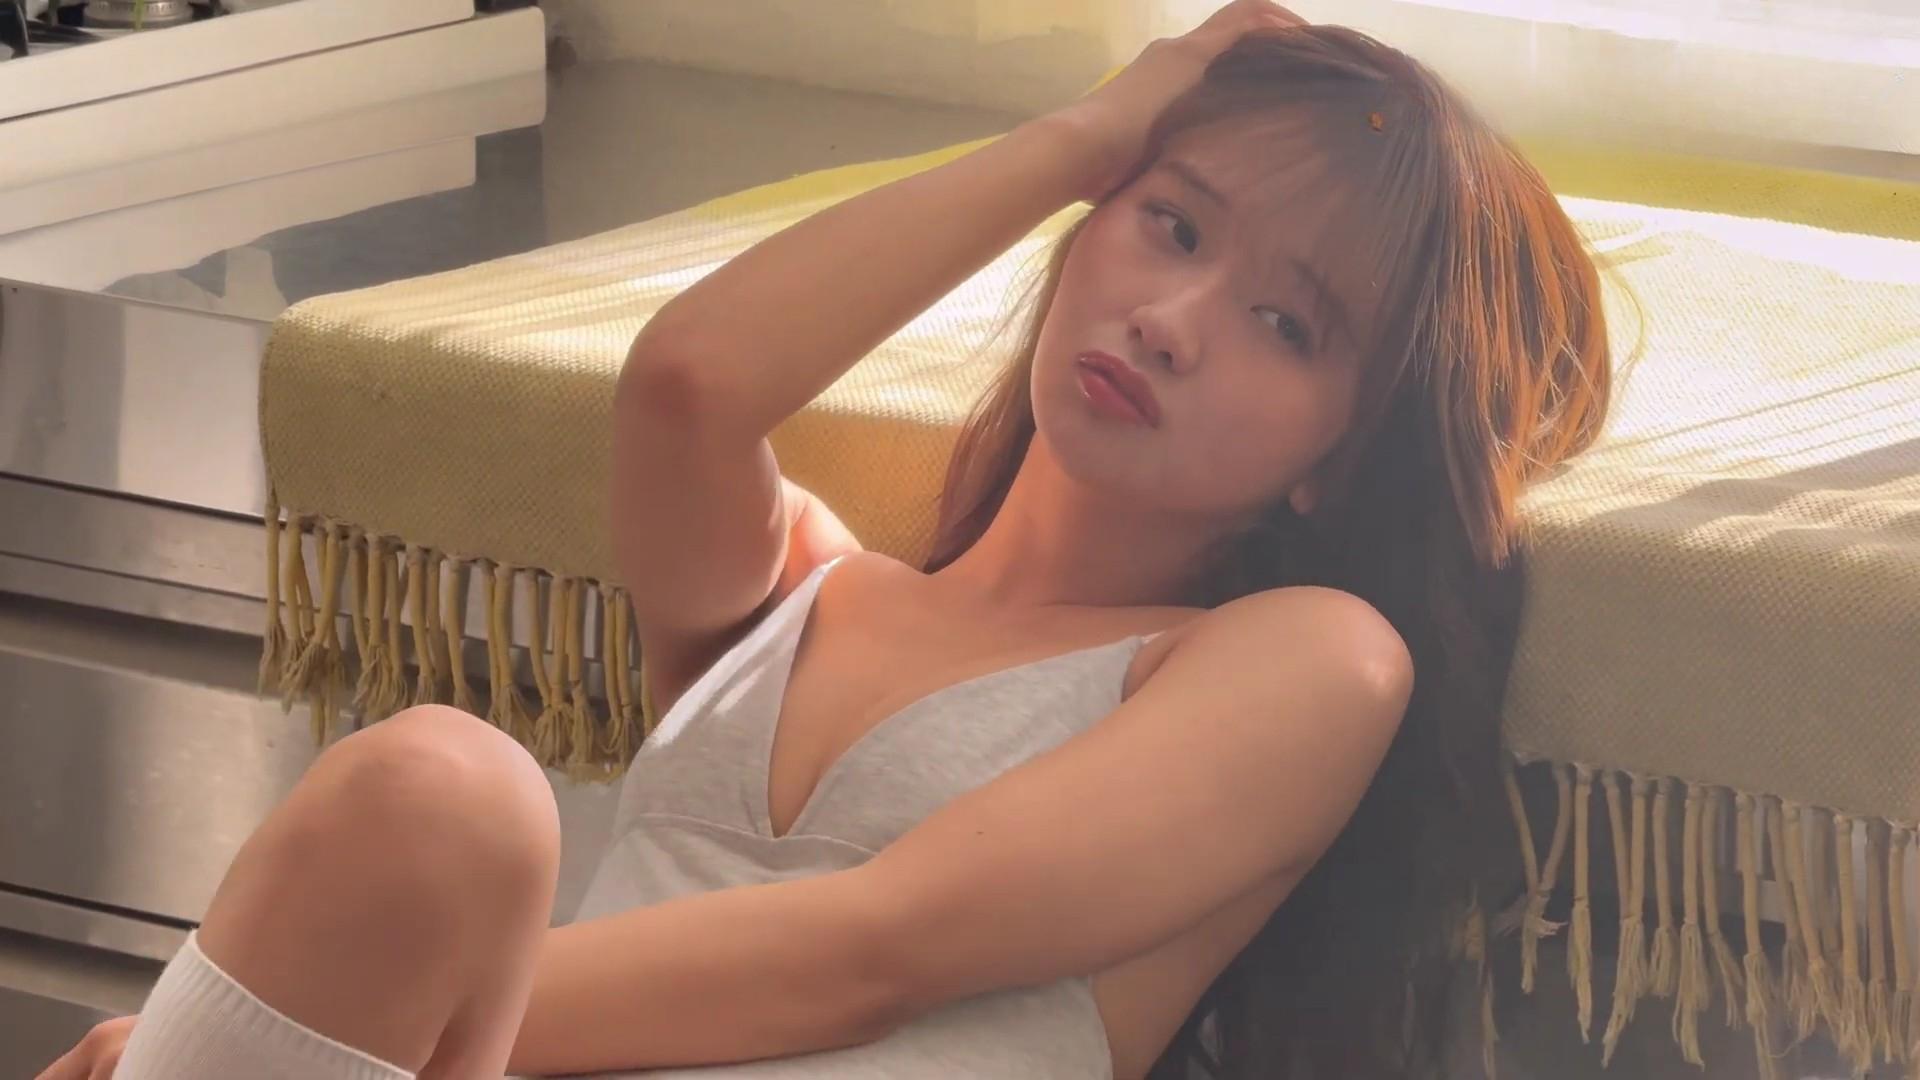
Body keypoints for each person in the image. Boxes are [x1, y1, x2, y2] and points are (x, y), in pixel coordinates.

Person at [42, 2, 1610, 1077]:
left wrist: (295, 1017)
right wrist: (1087, 132)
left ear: (1341, 462)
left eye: (1286, 323)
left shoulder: (1307, 662)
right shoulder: (804, 596)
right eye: (1172, 223)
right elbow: (687, 386)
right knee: (437, 793)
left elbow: (872, 951)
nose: (1174, 318)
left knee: (448, 793)